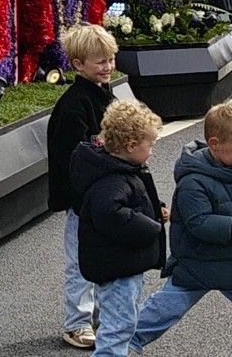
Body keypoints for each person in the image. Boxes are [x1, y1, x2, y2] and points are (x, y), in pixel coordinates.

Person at [130, 100, 232, 353]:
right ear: (214, 144)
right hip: (198, 261)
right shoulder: (193, 181)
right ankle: (120, 341)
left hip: (225, 259)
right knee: (164, 310)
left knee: (165, 307)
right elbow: (199, 223)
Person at [70, 99, 168, 357]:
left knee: (122, 324)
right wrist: (152, 227)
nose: (152, 151)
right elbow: (111, 213)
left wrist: (155, 208)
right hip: (118, 269)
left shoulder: (116, 170)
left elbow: (132, 201)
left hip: (119, 265)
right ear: (132, 145)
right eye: (151, 145)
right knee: (118, 327)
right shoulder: (113, 180)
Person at [46, 23, 118, 350]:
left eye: (110, 59)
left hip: (107, 196)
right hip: (84, 200)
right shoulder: (74, 105)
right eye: (100, 61)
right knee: (81, 264)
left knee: (105, 258)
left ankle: (101, 316)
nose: (108, 67)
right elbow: (70, 159)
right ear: (77, 65)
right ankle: (77, 323)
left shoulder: (105, 95)